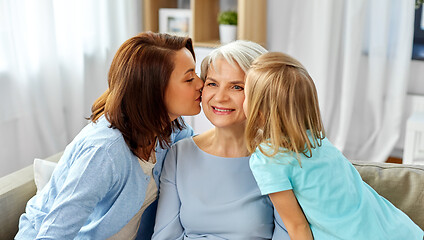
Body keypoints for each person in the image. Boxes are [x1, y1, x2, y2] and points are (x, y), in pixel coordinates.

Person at [15, 32, 204, 239]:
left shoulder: (174, 130)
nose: (200, 83)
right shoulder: (105, 152)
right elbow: (53, 234)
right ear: (153, 90)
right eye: (189, 78)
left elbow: (206, 163)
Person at [243, 52, 424, 239]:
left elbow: (297, 226)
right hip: (402, 230)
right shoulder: (317, 139)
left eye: (245, 94)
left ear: (260, 109)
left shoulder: (267, 159)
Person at [152, 40, 290, 240]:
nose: (220, 97)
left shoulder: (279, 156)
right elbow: (165, 236)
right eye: (212, 84)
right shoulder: (179, 153)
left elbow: (288, 233)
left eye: (236, 87)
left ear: (261, 93)